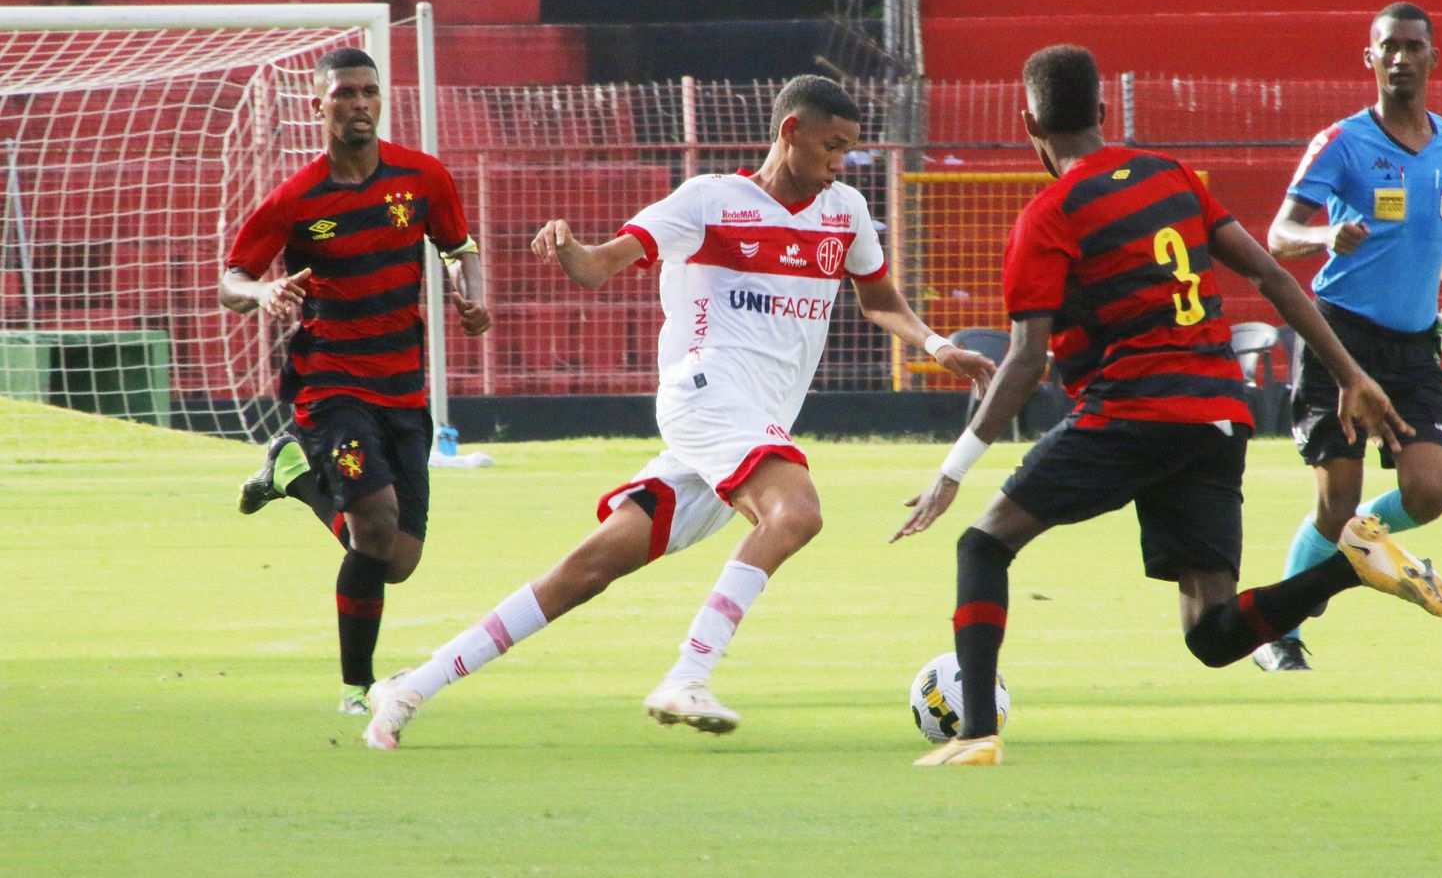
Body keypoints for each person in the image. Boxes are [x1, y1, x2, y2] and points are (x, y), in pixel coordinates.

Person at [361, 74, 995, 749]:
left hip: (750, 426)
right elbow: (599, 266)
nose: (841, 163)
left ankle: (412, 685)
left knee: (589, 570)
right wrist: (569, 248)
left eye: (849, 150)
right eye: (832, 147)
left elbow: (879, 300)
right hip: (707, 394)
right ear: (791, 133)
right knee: (797, 513)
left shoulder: (843, 212)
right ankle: (689, 675)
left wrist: (937, 345)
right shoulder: (708, 201)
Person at [892, 44, 1442, 767]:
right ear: (1101, 111)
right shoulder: (1172, 174)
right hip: (1219, 416)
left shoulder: (1049, 215)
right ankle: (1353, 565)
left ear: (1026, 121)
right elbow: (1274, 277)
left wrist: (954, 467)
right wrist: (1350, 374)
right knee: (1212, 634)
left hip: (1131, 412)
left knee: (983, 544)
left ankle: (974, 734)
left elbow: (1027, 359)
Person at [220, 47, 491, 714]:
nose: (360, 103)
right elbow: (231, 279)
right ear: (319, 105)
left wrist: (471, 293)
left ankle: (292, 476)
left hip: (404, 388)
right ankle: (356, 688)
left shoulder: (423, 178)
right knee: (373, 527)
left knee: (397, 558)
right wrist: (262, 292)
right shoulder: (295, 200)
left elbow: (460, 248)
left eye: (369, 92)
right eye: (345, 93)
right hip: (328, 386)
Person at [1252, 2, 1442, 672]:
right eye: (1388, 46)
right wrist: (1324, 234)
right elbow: (1277, 235)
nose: (1400, 58)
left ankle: (1357, 547)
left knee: (1430, 491)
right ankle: (1279, 632)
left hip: (1415, 348)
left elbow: (1438, 227)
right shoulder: (1343, 143)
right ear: (1371, 58)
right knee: (1335, 502)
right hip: (1341, 341)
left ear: (1432, 58)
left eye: (1413, 46)